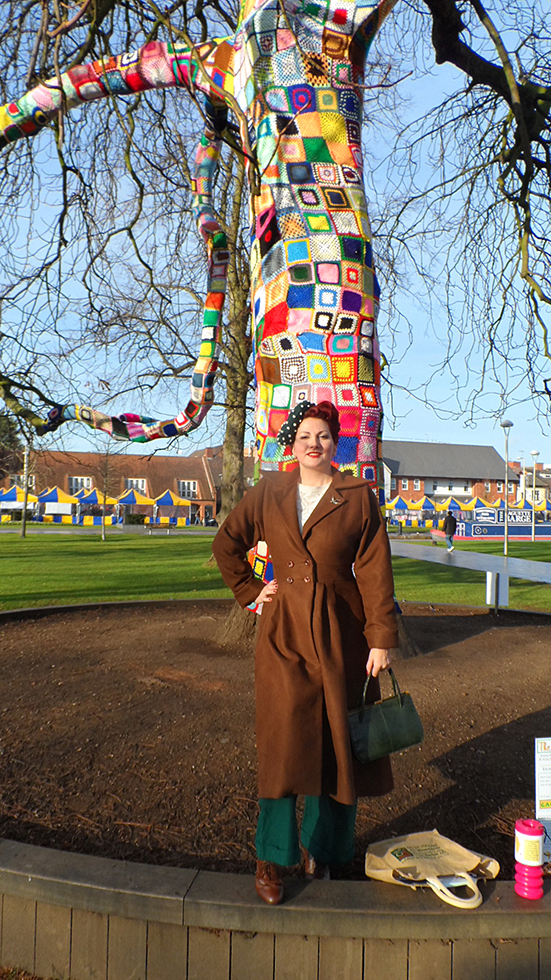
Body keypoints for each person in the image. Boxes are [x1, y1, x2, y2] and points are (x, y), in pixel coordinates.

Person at [212, 401, 398, 905]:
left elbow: (375, 569)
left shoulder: (357, 495)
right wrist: (253, 592)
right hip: (284, 634)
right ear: (292, 445)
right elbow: (227, 543)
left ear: (335, 443)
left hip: (343, 632)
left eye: (323, 436)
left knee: (336, 744)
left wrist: (380, 638)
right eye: (305, 437)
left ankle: (323, 853)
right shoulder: (269, 490)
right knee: (283, 746)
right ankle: (271, 857)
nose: (314, 444)